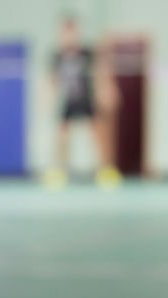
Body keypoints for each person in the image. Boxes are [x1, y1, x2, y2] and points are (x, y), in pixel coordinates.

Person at [44, 15, 121, 190]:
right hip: (69, 101)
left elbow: (100, 74)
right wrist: (48, 97)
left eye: (72, 31)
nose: (69, 36)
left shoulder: (87, 53)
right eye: (65, 32)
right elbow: (52, 80)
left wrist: (107, 91)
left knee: (98, 135)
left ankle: (105, 170)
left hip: (86, 99)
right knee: (62, 136)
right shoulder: (57, 56)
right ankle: (59, 170)